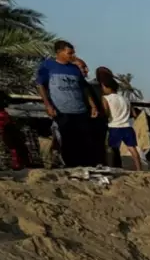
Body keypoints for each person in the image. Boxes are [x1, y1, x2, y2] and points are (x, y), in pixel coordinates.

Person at [35, 40, 101, 168]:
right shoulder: (48, 66)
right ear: (59, 52)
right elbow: (40, 85)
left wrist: (93, 106)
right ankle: (69, 166)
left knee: (84, 141)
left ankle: (85, 166)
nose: (72, 55)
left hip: (80, 110)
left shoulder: (75, 68)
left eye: (73, 53)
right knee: (66, 140)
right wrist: (48, 105)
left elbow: (84, 88)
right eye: (69, 53)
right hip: (62, 111)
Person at [97, 67, 143, 171]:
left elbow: (107, 112)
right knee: (132, 148)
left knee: (111, 149)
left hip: (114, 126)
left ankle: (109, 167)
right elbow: (134, 114)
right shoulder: (125, 98)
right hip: (127, 126)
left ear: (104, 86)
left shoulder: (106, 98)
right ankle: (139, 169)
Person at [0, 92, 31, 170]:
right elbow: (5, 124)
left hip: (6, 132)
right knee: (16, 149)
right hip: (7, 132)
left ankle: (19, 164)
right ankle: (18, 165)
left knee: (17, 149)